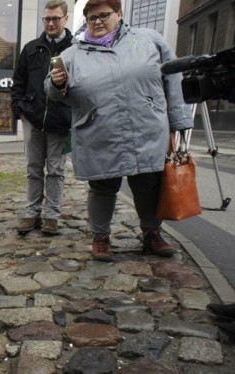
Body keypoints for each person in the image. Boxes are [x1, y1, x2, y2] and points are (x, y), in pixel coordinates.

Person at [44, 0, 192, 261]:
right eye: (91, 18)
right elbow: (51, 92)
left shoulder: (149, 40)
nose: (98, 21)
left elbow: (173, 77)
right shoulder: (72, 54)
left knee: (148, 184)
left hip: (145, 129)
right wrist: (56, 85)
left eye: (104, 15)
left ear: (119, 14)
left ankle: (152, 234)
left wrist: (178, 119)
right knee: (102, 186)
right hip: (98, 132)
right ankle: (100, 238)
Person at [11, 0, 73, 235]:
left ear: (65, 19)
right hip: (33, 119)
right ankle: (32, 213)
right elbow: (18, 82)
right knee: (33, 169)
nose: (50, 23)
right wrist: (20, 110)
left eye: (55, 18)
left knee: (56, 170)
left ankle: (52, 216)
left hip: (60, 121)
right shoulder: (31, 48)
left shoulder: (75, 49)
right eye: (46, 18)